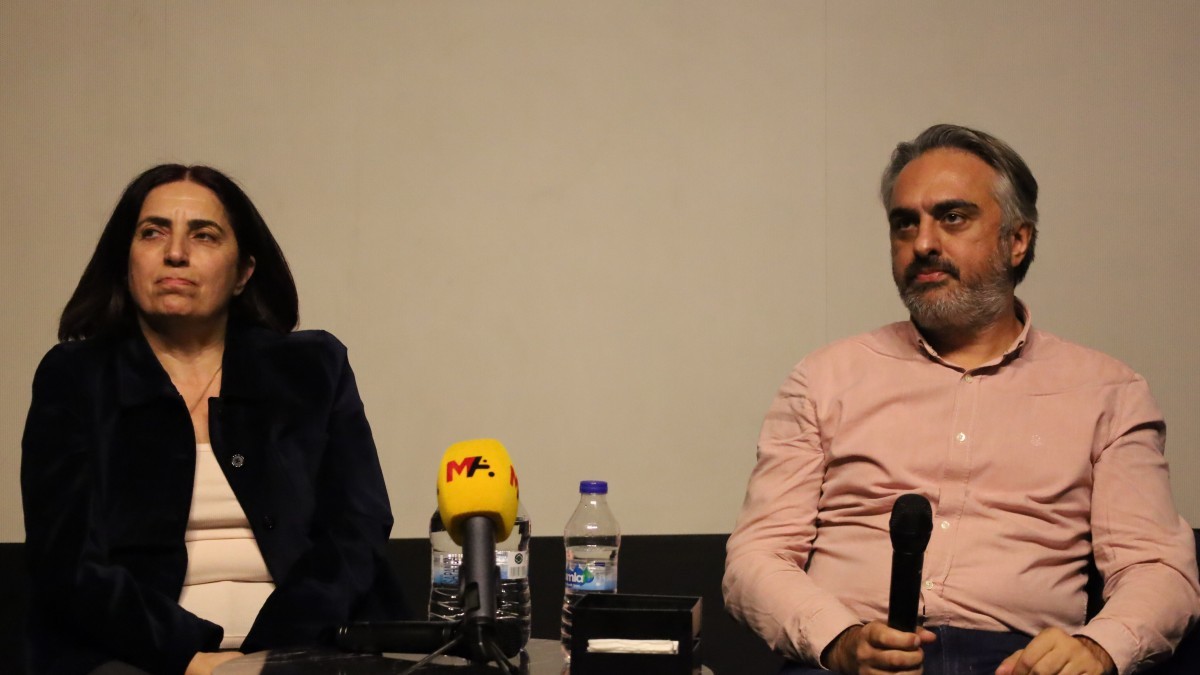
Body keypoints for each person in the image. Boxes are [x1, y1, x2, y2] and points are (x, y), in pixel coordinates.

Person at [723, 124, 1200, 675]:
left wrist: (1098, 649)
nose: (923, 243)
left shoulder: (1108, 393)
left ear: (1017, 240)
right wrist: (839, 640)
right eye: (905, 223)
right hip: (854, 659)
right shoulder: (824, 379)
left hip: (1020, 662)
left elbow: (1157, 568)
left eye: (952, 217)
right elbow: (756, 557)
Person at [21, 165, 407, 675]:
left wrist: (269, 658)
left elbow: (356, 530)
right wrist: (188, 655)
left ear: (244, 272)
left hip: (311, 648)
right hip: (136, 656)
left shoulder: (313, 368)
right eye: (153, 232)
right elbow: (69, 561)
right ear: (125, 260)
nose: (175, 253)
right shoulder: (75, 377)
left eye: (203, 235)